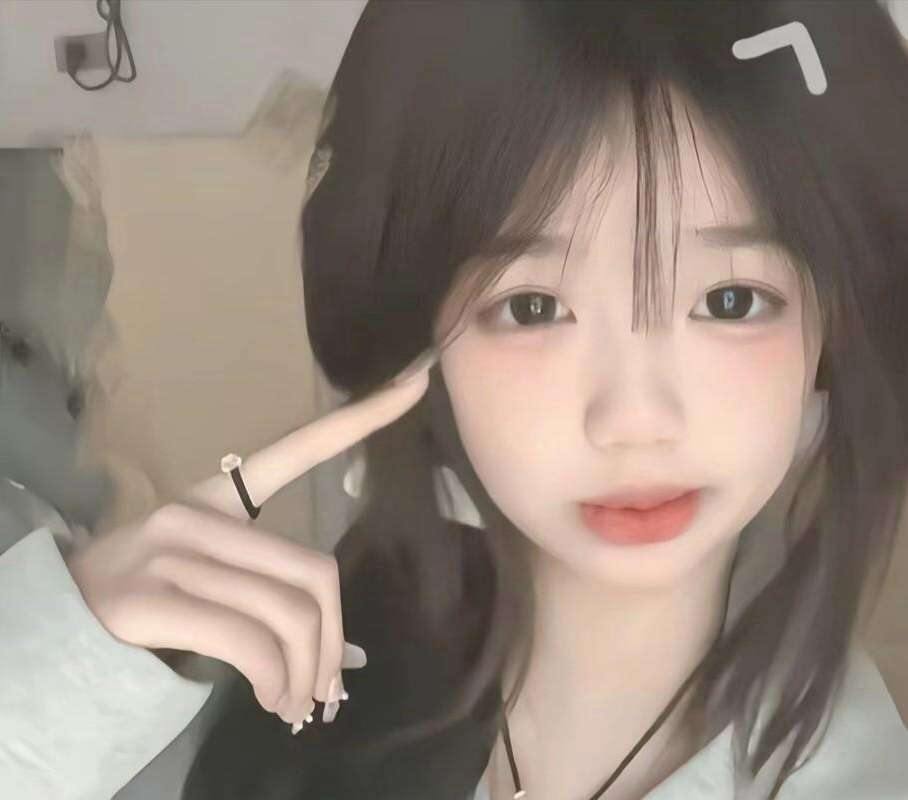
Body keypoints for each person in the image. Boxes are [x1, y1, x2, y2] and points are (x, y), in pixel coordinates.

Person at [172, 1, 908, 799]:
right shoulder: (297, 705)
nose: (634, 420)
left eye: (730, 301)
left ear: (832, 327)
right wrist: (85, 676)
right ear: (423, 343)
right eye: (533, 307)